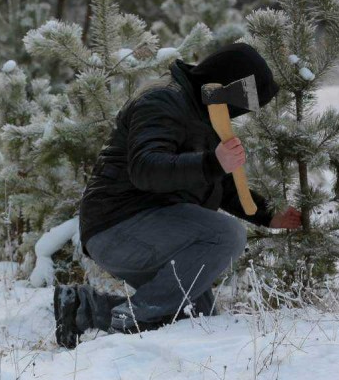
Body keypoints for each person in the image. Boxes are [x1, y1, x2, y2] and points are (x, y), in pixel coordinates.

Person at [54, 42, 302, 348]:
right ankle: (132, 318)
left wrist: (267, 215)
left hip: (152, 229)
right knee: (227, 236)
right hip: (118, 224)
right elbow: (145, 167)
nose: (243, 112)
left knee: (195, 318)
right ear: (227, 85)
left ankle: (84, 308)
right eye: (246, 102)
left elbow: (219, 183)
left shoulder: (205, 112)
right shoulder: (162, 101)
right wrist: (213, 162)